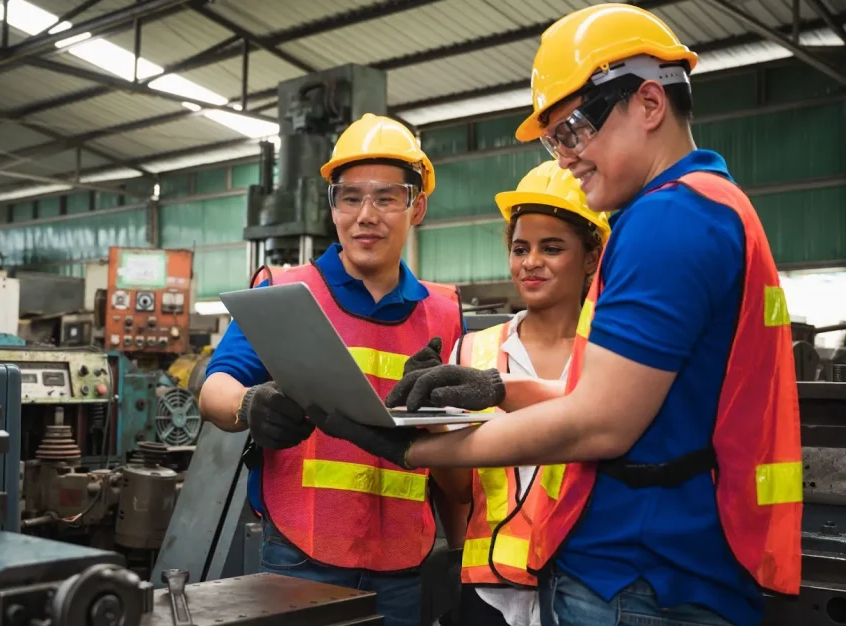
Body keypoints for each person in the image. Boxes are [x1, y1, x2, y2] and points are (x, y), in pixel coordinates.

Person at [305, 5, 802, 626]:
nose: (564, 157)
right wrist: (497, 387)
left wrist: (414, 454)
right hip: (666, 569)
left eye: (572, 130)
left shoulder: (667, 221)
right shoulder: (712, 207)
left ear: (649, 104)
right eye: (553, 140)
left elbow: (598, 426)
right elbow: (617, 399)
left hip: (641, 576)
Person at [197, 113, 466, 626]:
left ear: (418, 206)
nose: (367, 214)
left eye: (386, 197)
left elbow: (458, 445)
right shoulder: (285, 293)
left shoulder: (445, 312)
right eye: (350, 197)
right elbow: (216, 387)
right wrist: (249, 404)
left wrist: (461, 555)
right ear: (333, 208)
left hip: (406, 561)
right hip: (303, 554)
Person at [438, 160, 608, 626]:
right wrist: (429, 423)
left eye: (551, 248)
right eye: (520, 248)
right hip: (488, 590)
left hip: (585, 587)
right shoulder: (473, 350)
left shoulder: (613, 359)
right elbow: (457, 491)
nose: (531, 261)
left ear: (591, 257)